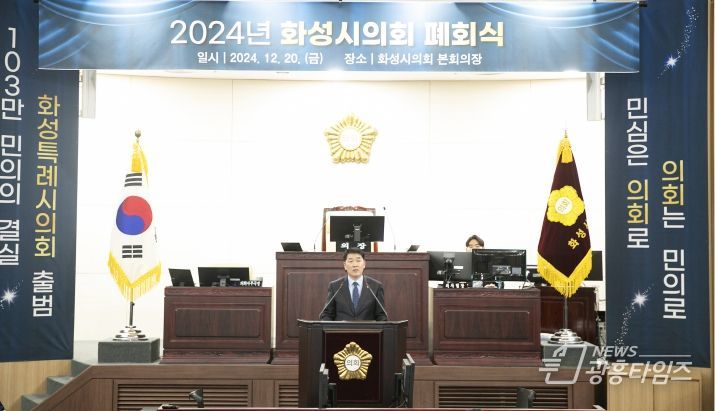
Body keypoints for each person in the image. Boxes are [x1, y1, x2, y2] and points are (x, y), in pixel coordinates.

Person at [319, 247, 388, 321]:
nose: (355, 265)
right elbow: (327, 314)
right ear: (345, 265)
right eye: (351, 261)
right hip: (341, 328)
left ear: (364, 264)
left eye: (358, 260)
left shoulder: (376, 286)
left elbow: (381, 315)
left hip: (367, 328)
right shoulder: (335, 286)